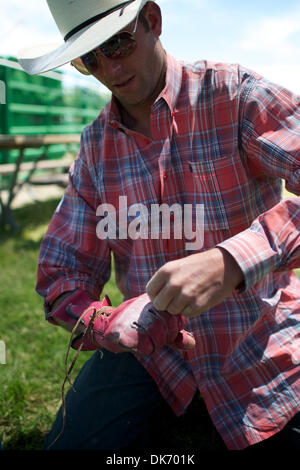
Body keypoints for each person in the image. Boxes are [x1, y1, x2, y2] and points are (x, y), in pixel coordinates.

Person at [18, 0, 300, 451]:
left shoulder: (234, 95)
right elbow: (60, 276)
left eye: (117, 44)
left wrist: (233, 260)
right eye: (89, 59)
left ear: (151, 21)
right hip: (150, 358)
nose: (109, 68)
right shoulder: (95, 147)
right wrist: (106, 322)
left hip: (258, 339)